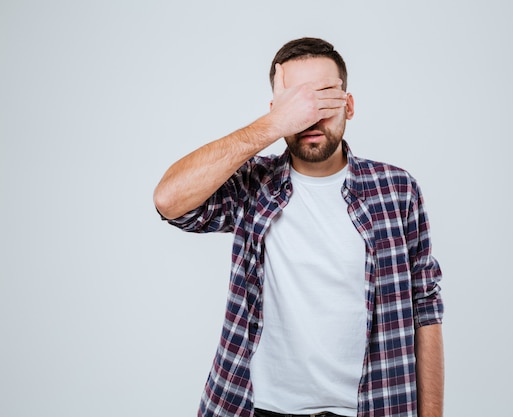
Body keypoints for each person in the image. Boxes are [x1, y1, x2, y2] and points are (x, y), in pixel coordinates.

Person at [154, 37, 444, 417]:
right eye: (296, 103)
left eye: (324, 97)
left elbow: (424, 307)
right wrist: (272, 125)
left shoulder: (396, 190)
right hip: (256, 408)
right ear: (277, 110)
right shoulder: (251, 185)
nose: (310, 115)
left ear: (349, 105)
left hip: (374, 406)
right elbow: (169, 201)